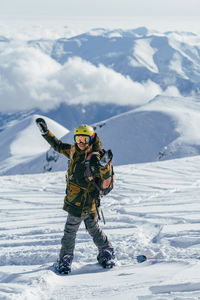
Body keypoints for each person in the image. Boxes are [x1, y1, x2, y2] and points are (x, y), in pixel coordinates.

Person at [36, 118, 115, 274]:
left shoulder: (95, 157)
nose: (81, 142)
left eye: (84, 139)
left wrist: (104, 165)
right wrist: (46, 132)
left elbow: (104, 176)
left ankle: (65, 260)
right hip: (81, 201)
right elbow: (58, 146)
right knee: (94, 229)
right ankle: (106, 251)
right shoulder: (73, 150)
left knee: (70, 232)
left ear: (91, 139)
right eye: (78, 138)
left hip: (82, 203)